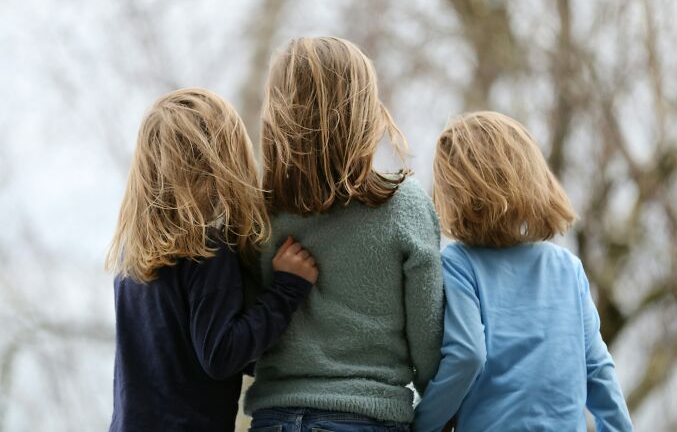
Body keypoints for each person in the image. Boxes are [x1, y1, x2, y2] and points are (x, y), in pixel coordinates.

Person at [245, 37, 444, 431]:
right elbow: (429, 341)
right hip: (369, 416)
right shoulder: (404, 206)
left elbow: (247, 331)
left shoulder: (256, 212)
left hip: (275, 418)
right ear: (364, 111)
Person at [105, 88, 318, 432]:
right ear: (225, 161)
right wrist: (287, 290)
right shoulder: (207, 249)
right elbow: (220, 355)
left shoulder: (133, 260)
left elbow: (180, 357)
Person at [413, 111, 633, 431]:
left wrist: (421, 423)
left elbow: (467, 355)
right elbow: (599, 371)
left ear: (457, 192)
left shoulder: (459, 264)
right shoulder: (567, 268)